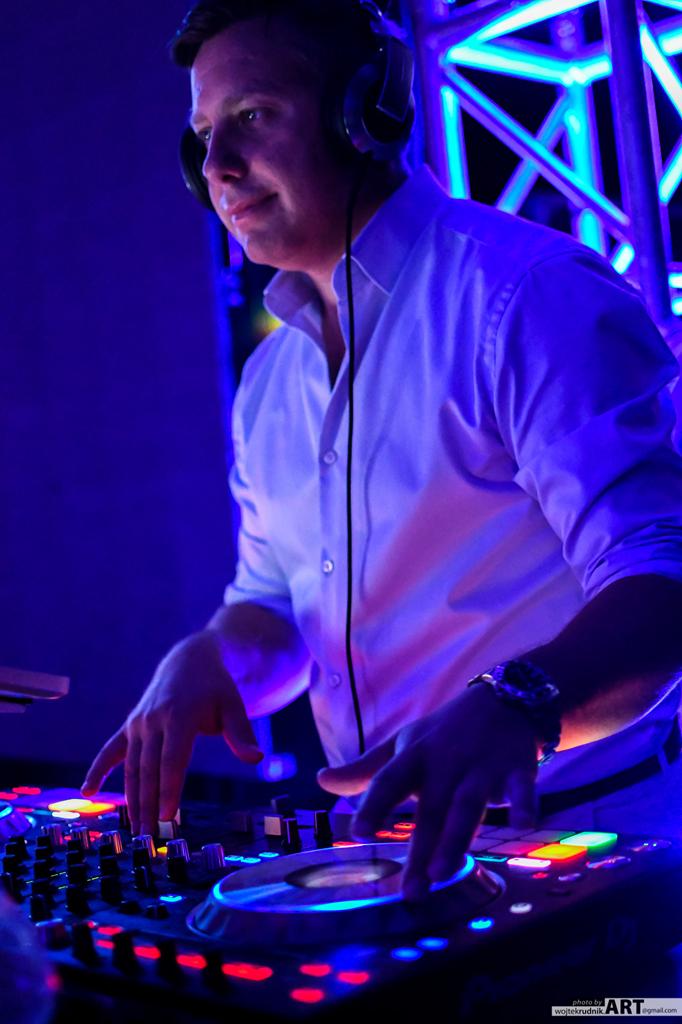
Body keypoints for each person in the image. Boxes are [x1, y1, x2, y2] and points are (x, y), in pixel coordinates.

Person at [82, 0, 682, 902]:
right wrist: (209, 655)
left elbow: (662, 575)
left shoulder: (524, 294)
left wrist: (519, 704)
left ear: (369, 109)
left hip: (591, 845)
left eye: (252, 116)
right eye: (202, 137)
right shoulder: (271, 378)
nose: (216, 168)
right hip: (384, 857)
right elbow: (275, 607)